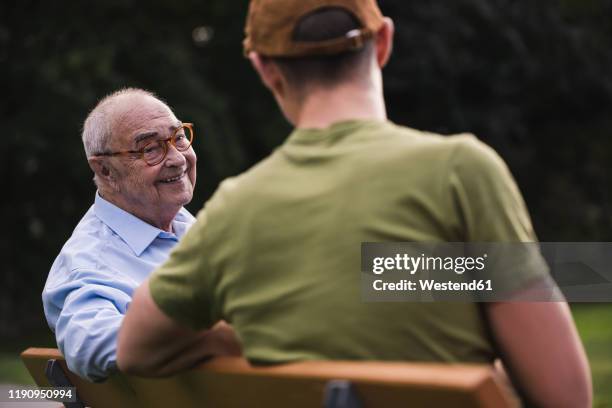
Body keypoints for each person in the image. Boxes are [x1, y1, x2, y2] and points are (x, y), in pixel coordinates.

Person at [118, 2, 591, 406]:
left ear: (264, 67)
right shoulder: (460, 171)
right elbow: (565, 394)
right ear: (383, 42)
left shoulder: (233, 209)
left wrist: (227, 336)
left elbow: (135, 349)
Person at [43, 88, 239, 381]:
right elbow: (89, 342)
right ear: (106, 170)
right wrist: (212, 334)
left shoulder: (188, 226)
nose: (177, 159)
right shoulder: (88, 261)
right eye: (150, 149)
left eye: (179, 137)